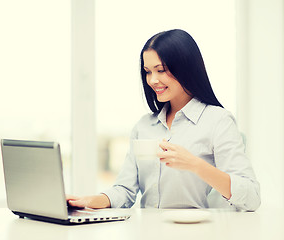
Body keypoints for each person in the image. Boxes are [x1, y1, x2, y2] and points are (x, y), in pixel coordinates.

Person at [67, 29, 261, 211]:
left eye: (160, 70)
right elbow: (125, 191)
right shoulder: (144, 126)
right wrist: (89, 201)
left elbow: (251, 198)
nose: (152, 80)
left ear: (186, 68)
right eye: (148, 71)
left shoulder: (218, 121)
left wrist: (194, 164)